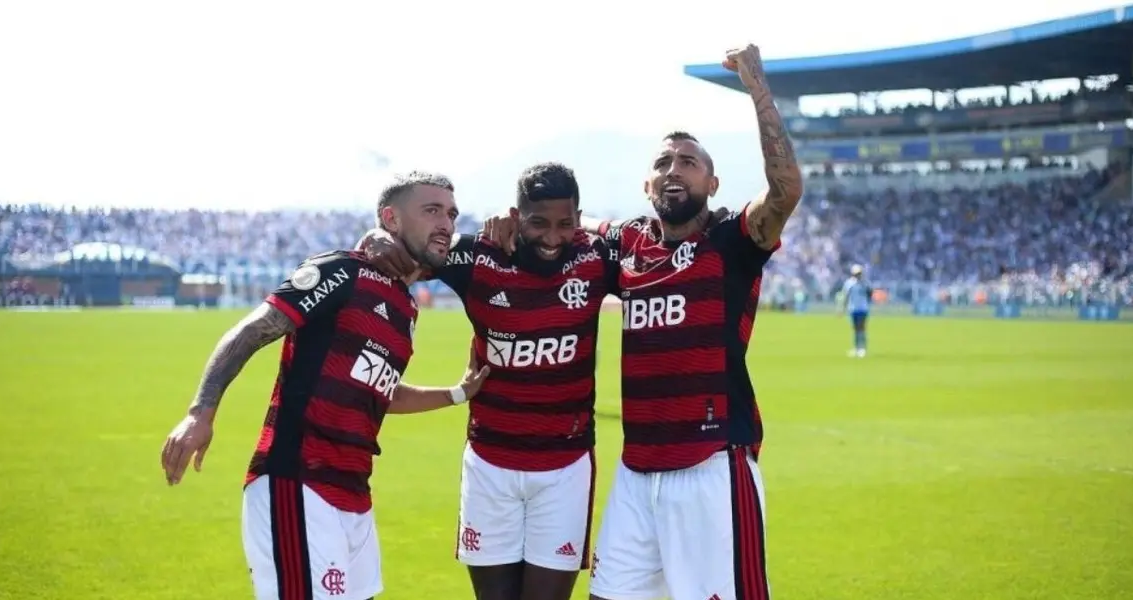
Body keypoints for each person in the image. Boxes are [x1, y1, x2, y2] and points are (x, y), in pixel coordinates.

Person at [482, 44, 802, 600]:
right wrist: (502, 229)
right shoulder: (623, 242)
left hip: (712, 464)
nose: (673, 170)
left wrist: (757, 90)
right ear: (647, 187)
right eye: (662, 164)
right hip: (637, 469)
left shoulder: (731, 241)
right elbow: (554, 231)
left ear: (713, 183)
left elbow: (785, 192)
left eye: (688, 162)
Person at [159, 171, 491, 600]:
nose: (446, 223)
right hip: (297, 483)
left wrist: (458, 393)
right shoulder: (342, 272)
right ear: (390, 218)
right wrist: (200, 412)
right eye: (431, 211)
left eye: (451, 213)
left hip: (353, 495)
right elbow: (253, 330)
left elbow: (375, 390)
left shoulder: (405, 304)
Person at [357, 162, 619, 600]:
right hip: (490, 466)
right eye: (538, 223)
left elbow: (652, 241)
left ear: (578, 219)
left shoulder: (596, 257)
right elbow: (408, 249)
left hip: (565, 469)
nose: (553, 238)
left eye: (565, 224)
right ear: (517, 216)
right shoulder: (478, 255)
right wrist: (376, 238)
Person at [838, 264, 872, 357]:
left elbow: (870, 294)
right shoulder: (849, 283)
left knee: (861, 329)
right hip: (853, 309)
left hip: (862, 309)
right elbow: (846, 296)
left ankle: (862, 348)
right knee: (856, 329)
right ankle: (857, 348)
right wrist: (842, 309)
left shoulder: (865, 283)